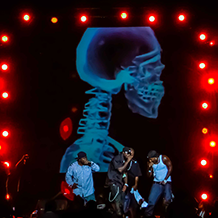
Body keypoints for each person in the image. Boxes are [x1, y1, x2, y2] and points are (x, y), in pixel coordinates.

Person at [106, 147, 133, 217]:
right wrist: (128, 161)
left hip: (120, 183)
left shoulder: (125, 160)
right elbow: (120, 170)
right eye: (128, 153)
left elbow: (124, 173)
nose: (129, 155)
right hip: (114, 182)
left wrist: (126, 183)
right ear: (124, 152)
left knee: (122, 202)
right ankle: (118, 215)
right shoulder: (117, 158)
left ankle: (121, 214)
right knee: (117, 200)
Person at [144, 150, 173, 218]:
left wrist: (165, 179)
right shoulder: (150, 163)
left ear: (155, 157)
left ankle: (166, 214)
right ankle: (148, 215)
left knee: (167, 199)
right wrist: (149, 167)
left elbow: (170, 167)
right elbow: (148, 175)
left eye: (151, 159)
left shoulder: (164, 158)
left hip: (166, 182)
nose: (150, 160)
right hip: (156, 182)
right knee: (151, 200)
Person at [124, 148, 147, 218]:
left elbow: (137, 175)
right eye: (130, 154)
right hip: (123, 186)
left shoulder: (135, 163)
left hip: (131, 187)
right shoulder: (121, 161)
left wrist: (136, 184)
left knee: (132, 205)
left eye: (132, 154)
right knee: (125, 205)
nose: (131, 156)